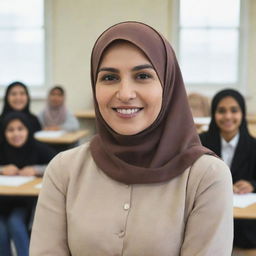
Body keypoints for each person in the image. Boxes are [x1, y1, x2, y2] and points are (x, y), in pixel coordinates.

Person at [30, 22, 233, 255]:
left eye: (143, 75)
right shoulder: (64, 170)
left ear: (168, 84)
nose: (125, 93)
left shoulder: (206, 177)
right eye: (109, 78)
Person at [199, 89, 256, 251]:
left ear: (242, 114)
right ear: (214, 114)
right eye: (221, 111)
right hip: (209, 218)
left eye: (234, 110)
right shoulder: (200, 144)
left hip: (244, 226)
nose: (228, 116)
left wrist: (252, 184)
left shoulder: (253, 146)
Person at [0, 112, 56, 256]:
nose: (16, 133)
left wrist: (36, 170)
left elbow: (59, 164)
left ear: (28, 130)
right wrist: (2, 169)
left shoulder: (36, 146)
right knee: (1, 232)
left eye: (20, 129)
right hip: (1, 203)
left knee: (15, 224)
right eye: (10, 130)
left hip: (25, 204)